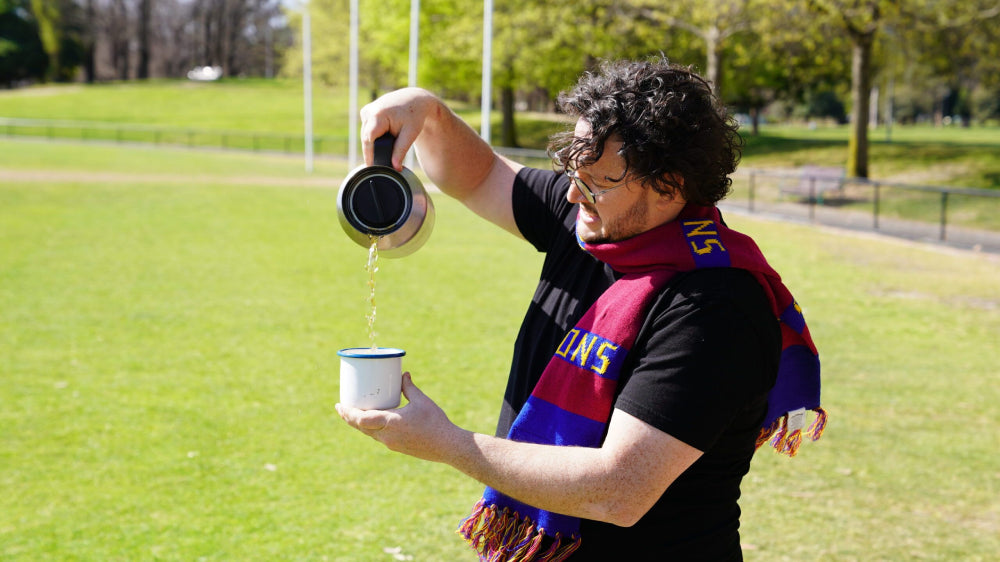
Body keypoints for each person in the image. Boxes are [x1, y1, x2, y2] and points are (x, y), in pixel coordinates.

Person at [336, 57, 824, 561]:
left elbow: (617, 490)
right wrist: (428, 110)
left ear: (669, 185)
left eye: (595, 181)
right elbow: (480, 176)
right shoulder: (594, 222)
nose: (572, 193)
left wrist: (449, 443)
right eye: (570, 169)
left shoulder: (716, 307)